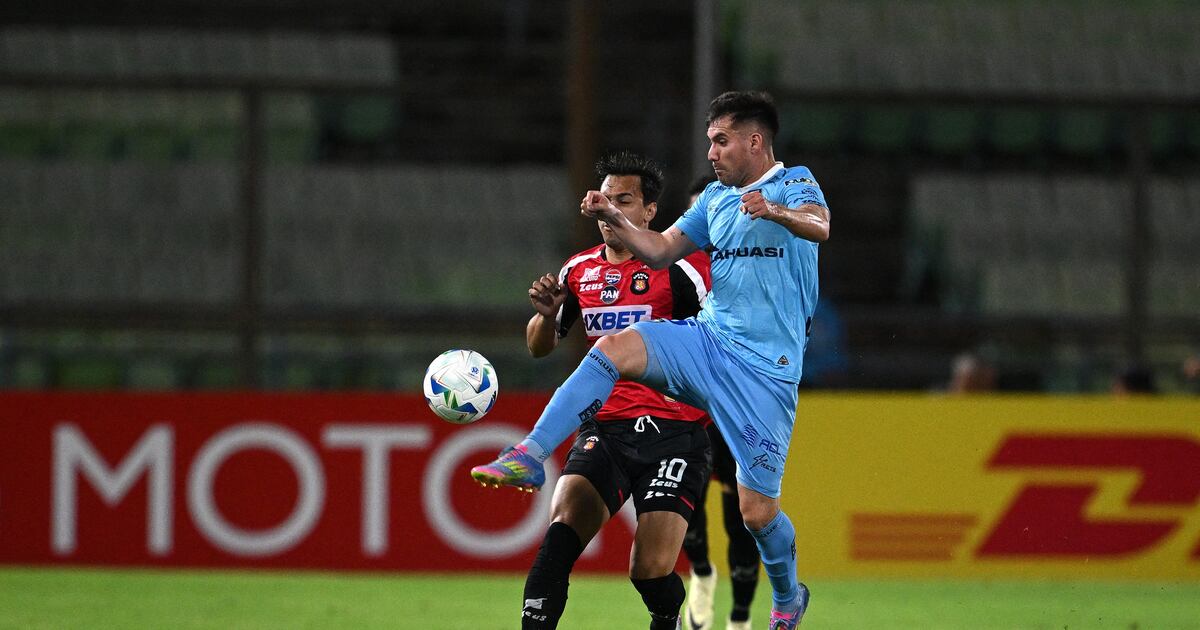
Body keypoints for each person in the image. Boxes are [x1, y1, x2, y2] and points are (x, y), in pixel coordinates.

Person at [472, 90, 830, 630]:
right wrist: (615, 215)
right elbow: (661, 250)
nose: (711, 152)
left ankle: (786, 598)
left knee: (757, 513)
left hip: (766, 372)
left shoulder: (794, 181)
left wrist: (775, 212)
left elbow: (820, 224)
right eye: (710, 141)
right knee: (613, 347)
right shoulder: (714, 200)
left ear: (754, 141)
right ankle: (529, 452)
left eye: (721, 140)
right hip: (711, 344)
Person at [476, 151, 715, 629]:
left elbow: (719, 343)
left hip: (675, 435)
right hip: (605, 431)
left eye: (623, 200)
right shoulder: (579, 270)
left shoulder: (683, 269)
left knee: (649, 572)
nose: (610, 210)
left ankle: (668, 610)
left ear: (650, 211)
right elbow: (539, 348)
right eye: (604, 199)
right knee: (559, 536)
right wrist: (545, 316)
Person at [678, 175, 761, 630]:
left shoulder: (751, 269)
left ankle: (741, 619)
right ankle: (702, 573)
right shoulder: (673, 272)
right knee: (684, 506)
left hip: (740, 410)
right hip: (689, 408)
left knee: (742, 516)